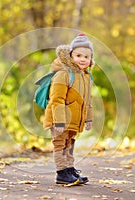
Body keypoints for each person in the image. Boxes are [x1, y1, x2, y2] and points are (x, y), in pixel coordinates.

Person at [43, 33, 94, 185]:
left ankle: (69, 169)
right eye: (78, 55)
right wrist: (59, 122)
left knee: (70, 144)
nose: (83, 59)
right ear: (71, 55)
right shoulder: (63, 74)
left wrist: (88, 119)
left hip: (73, 121)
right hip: (60, 120)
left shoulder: (86, 77)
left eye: (87, 56)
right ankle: (61, 173)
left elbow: (87, 101)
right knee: (60, 145)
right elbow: (56, 100)